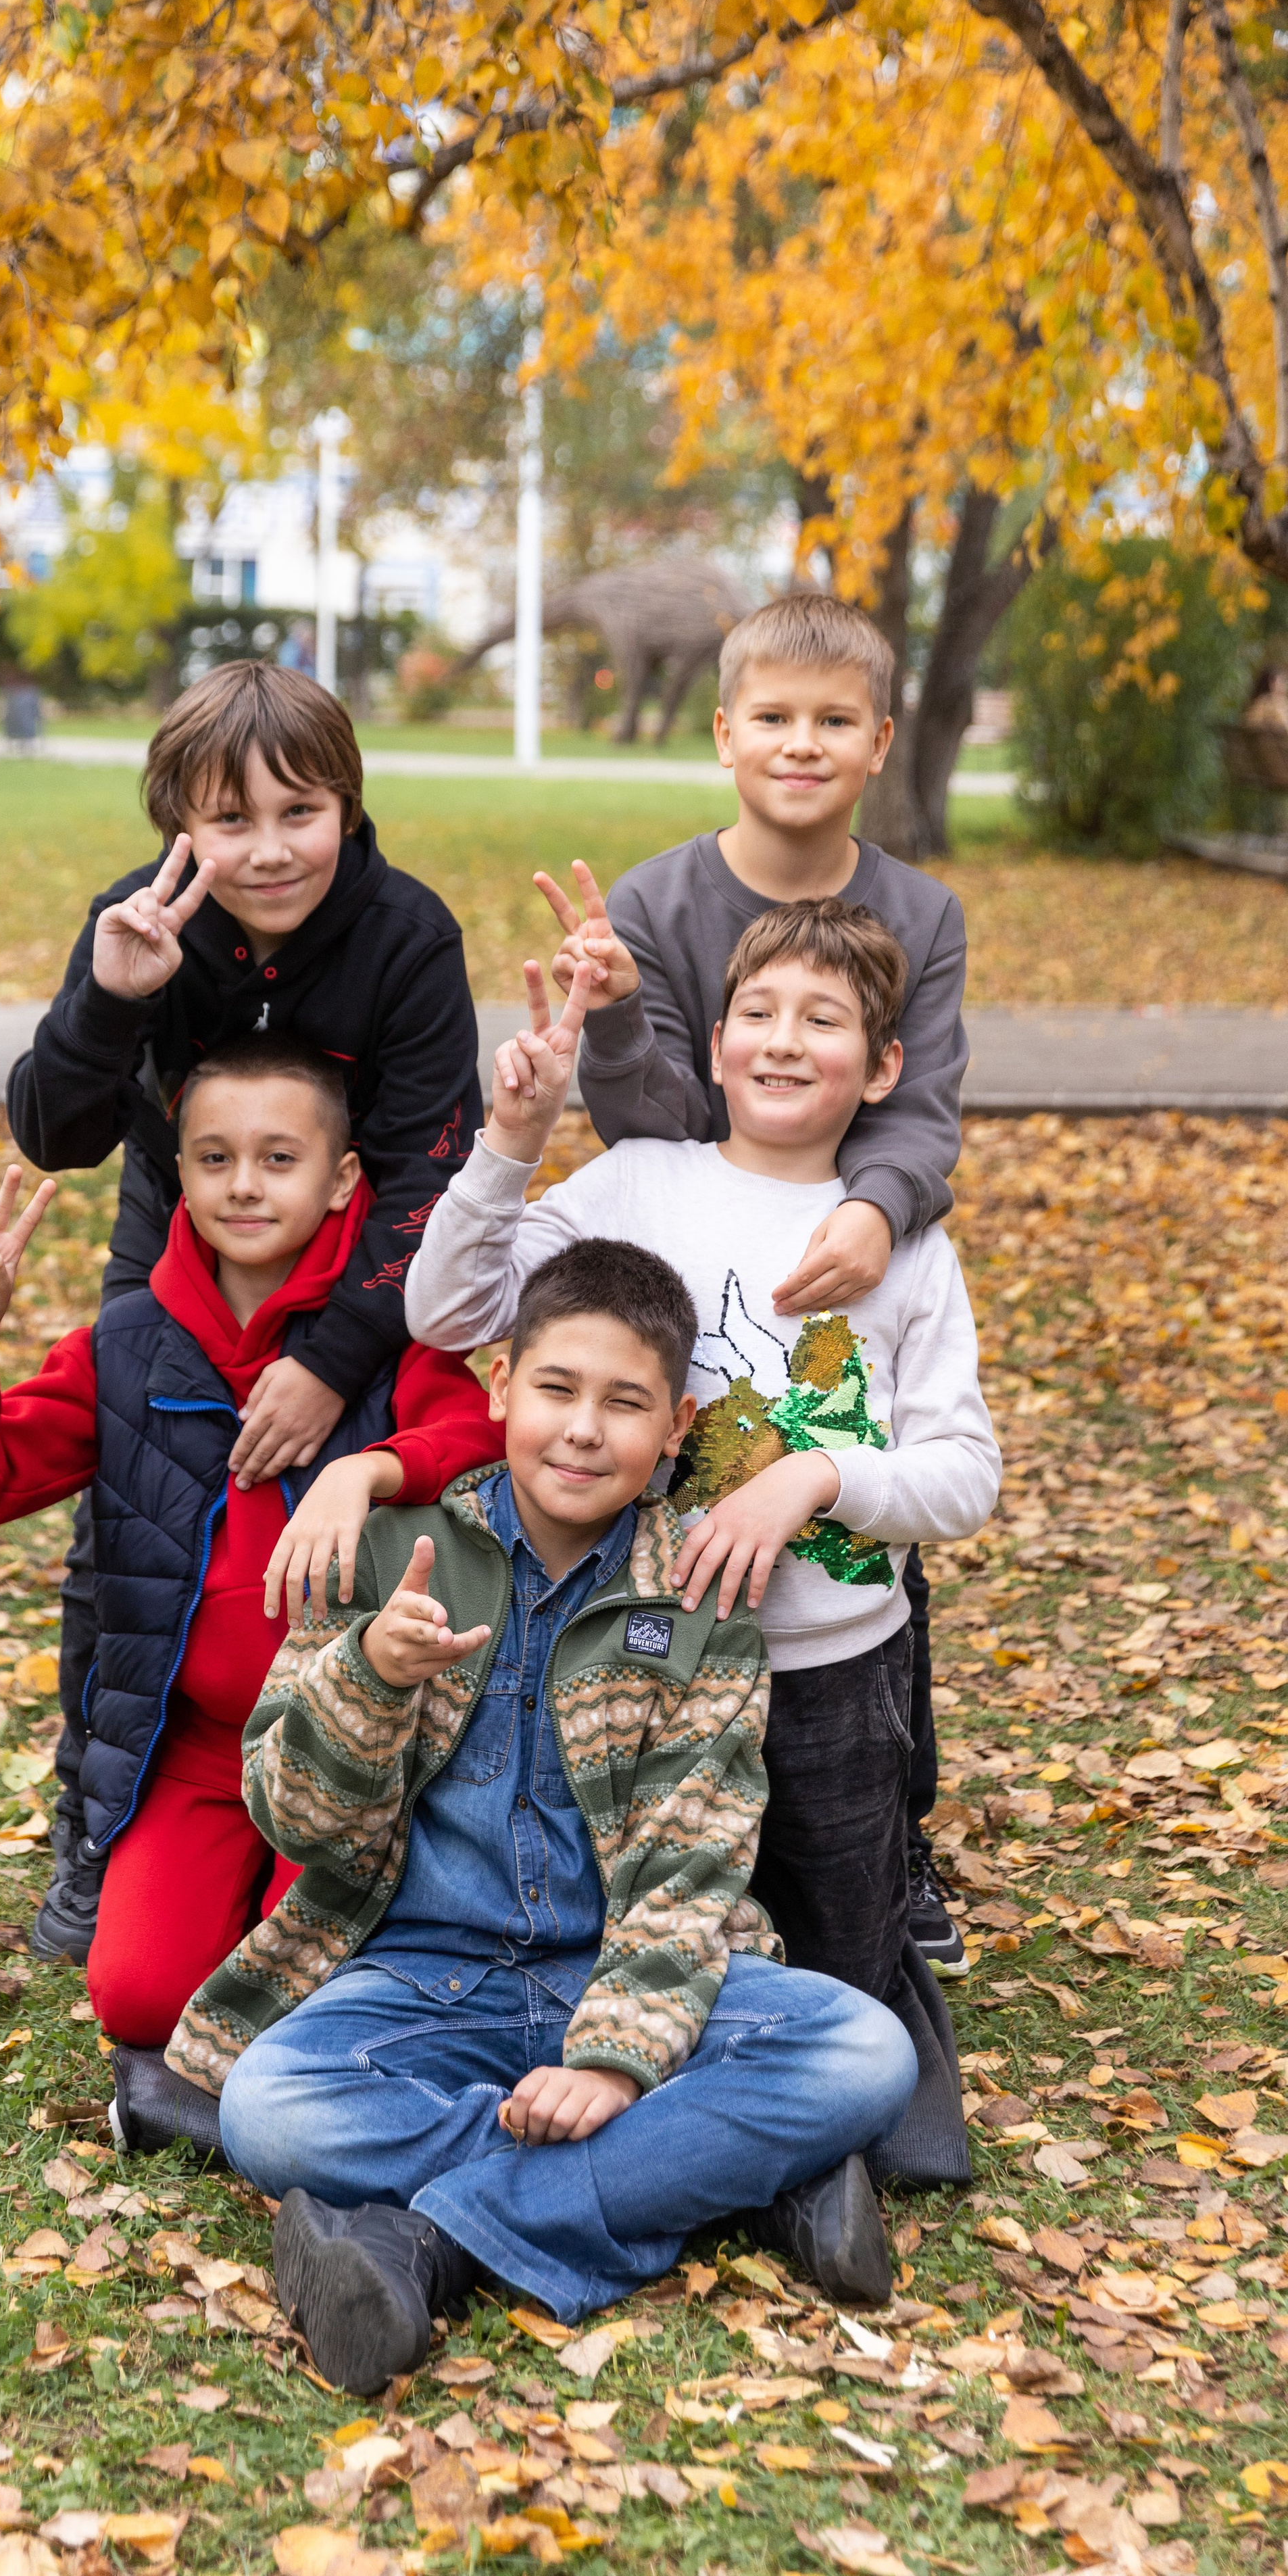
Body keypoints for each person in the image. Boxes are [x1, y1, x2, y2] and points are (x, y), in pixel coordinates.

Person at [165, 1238, 918, 2392]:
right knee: (271, 2108)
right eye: (558, 1389)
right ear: (501, 1382)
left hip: (625, 1968)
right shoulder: (384, 1551)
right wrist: (369, 1676)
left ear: (674, 1430)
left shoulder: (698, 1593)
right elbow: (292, 1818)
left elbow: (693, 1859)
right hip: (422, 1975)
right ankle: (736, 2176)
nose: (582, 1429)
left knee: (864, 2051)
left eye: (625, 1405)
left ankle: (434, 2242)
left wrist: (616, 2061)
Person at [402, 900, 1001, 2188]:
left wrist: (817, 1477)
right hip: (651, 1674)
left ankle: (830, 2118)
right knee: (656, 1933)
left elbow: (964, 1477)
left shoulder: (899, 1245)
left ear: (882, 1068)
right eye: (762, 1016)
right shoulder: (639, 1184)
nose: (787, 1044)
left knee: (841, 1974)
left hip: (836, 1674)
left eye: (826, 1023)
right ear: (716, 1040)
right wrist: (512, 1141)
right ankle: (665, 2123)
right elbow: (449, 1309)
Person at [0, 1035, 503, 2152]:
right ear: (178, 1171)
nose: (245, 1185)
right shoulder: (129, 1343)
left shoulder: (382, 1333)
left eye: (280, 1158)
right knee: (133, 1993)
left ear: (342, 1178)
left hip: (350, 1746)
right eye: (214, 1158)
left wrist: (367, 1468)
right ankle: (208, 1996)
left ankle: (288, 2037)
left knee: (314, 1978)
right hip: (198, 1748)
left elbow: (476, 1429)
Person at [5, 660, 484, 1962]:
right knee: (136, 1539)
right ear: (180, 826)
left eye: (300, 813)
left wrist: (332, 1364)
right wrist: (112, 1000)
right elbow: (55, 1130)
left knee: (337, 1538)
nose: (269, 852)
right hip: (177, 1255)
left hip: (358, 1282)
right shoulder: (138, 919)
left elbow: (430, 1176)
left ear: (348, 804)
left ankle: (331, 1793)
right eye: (230, 822)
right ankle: (99, 1826)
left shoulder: (405, 938)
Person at [533, 592, 972, 1978]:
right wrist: (610, 1009)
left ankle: (885, 1847)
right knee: (699, 1524)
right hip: (701, 1238)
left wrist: (878, 1211)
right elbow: (654, 1109)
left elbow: (923, 1100)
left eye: (831, 722)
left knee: (861, 1554)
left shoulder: (919, 910)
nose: (799, 744)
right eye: (771, 719)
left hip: (846, 1240)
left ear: (875, 742)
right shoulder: (665, 899)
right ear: (724, 733)